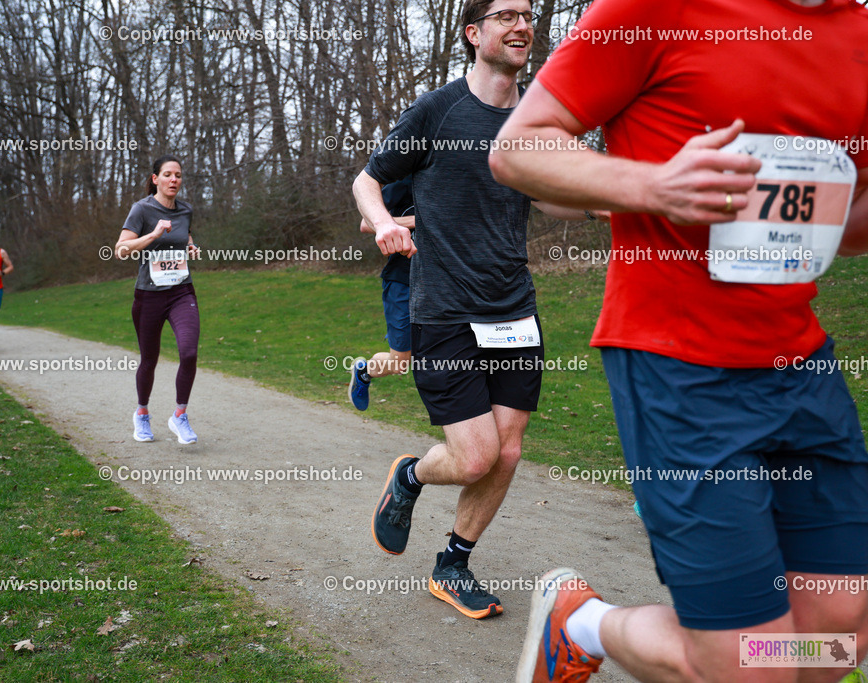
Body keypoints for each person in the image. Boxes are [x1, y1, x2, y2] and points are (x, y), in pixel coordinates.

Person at [489, 0, 868, 680]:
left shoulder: (858, 33)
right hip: (678, 364)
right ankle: (579, 623)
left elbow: (850, 214)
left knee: (841, 633)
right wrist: (657, 184)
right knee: (750, 666)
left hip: (799, 361)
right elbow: (519, 147)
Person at [354, 0, 597, 620]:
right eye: (507, 14)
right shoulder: (438, 110)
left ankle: (453, 564)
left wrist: (606, 201)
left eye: (528, 15)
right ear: (474, 32)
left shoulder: (535, 118)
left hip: (513, 307)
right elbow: (367, 179)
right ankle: (410, 477)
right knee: (475, 456)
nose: (522, 24)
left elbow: (555, 199)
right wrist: (384, 224)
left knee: (509, 452)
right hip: (445, 310)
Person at [115, 154, 201, 445]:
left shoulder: (186, 210)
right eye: (167, 175)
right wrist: (152, 234)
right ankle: (141, 414)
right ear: (155, 179)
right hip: (149, 295)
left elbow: (184, 234)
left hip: (181, 291)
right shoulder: (141, 209)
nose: (173, 180)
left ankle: (179, 416)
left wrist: (190, 247)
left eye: (177, 175)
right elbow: (121, 250)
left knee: (188, 352)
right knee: (149, 360)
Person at [349, 176, 415, 410]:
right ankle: (364, 372)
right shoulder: (405, 182)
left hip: (444, 282)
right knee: (401, 362)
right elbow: (366, 223)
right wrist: (417, 221)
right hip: (403, 281)